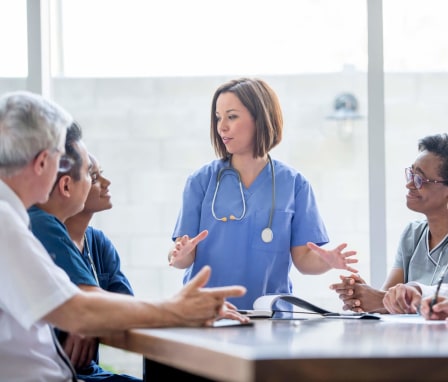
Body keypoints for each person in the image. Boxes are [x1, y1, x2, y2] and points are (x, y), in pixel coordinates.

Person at [0, 90, 248, 382]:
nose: (61, 173)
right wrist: (180, 309)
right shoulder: (7, 222)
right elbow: (77, 310)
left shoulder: (17, 219)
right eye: (59, 159)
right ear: (43, 163)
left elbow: (76, 306)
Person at [168, 78, 358, 309]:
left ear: (260, 118)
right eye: (218, 118)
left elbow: (304, 261)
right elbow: (182, 258)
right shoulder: (201, 181)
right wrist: (179, 255)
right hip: (209, 313)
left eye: (232, 116)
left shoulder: (295, 184)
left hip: (269, 316)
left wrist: (328, 261)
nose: (222, 127)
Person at [330, 133, 448, 313]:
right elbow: (386, 299)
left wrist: (379, 299)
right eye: (411, 173)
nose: (409, 184)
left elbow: (386, 301)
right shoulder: (412, 234)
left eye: (419, 179)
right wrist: (361, 295)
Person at [63, 153, 138, 381]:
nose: (107, 183)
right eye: (94, 177)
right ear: (65, 187)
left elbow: (127, 305)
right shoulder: (45, 240)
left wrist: (91, 319)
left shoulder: (98, 242)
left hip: (89, 373)